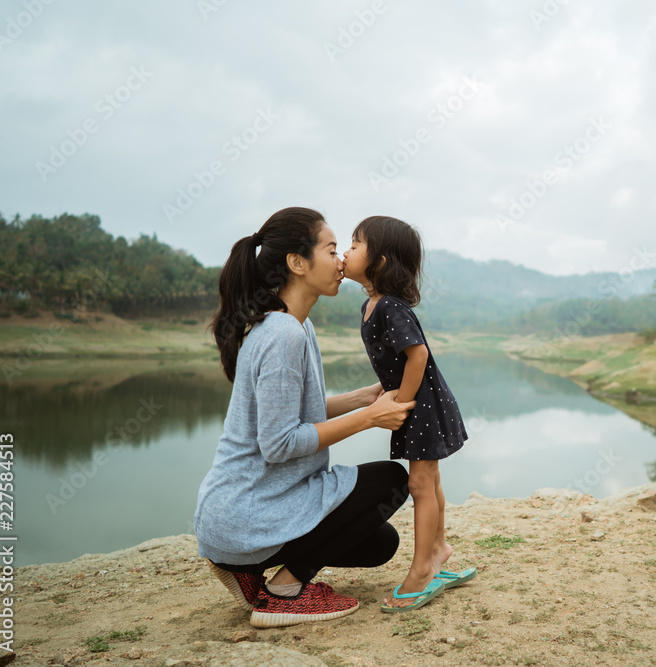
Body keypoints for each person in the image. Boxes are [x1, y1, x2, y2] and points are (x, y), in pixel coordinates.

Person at [193, 207, 416, 629]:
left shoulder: (295, 326)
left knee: (379, 544)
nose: (341, 261)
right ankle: (283, 591)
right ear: (297, 263)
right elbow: (279, 445)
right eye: (331, 249)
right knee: (391, 480)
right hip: (246, 511)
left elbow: (298, 415)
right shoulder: (282, 335)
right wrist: (371, 417)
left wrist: (359, 399)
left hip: (244, 513)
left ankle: (245, 571)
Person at [342, 215, 474, 613]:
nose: (346, 252)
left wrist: (401, 402)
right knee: (429, 479)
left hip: (422, 404)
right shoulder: (372, 305)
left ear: (379, 262)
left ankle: (421, 570)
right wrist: (391, 390)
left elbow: (417, 355)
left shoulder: (389, 308)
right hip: (420, 400)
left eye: (354, 244)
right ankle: (438, 549)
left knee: (419, 483)